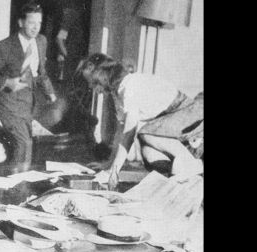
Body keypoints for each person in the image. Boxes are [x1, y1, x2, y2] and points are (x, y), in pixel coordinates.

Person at [78, 53, 204, 190]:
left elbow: (129, 134)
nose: (91, 87)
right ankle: (181, 179)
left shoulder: (130, 86)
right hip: (173, 121)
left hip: (190, 115)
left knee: (145, 133)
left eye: (92, 82)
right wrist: (108, 165)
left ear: (102, 75)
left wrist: (114, 171)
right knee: (148, 154)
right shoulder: (117, 92)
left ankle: (191, 163)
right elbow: (121, 132)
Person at [0, 3, 58, 169]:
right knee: (24, 144)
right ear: (21, 23)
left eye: (39, 23)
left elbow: (40, 71)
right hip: (8, 101)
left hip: (28, 102)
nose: (36, 28)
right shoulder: (5, 47)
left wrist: (50, 92)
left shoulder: (41, 42)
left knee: (26, 143)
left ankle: (19, 179)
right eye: (31, 23)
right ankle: (17, 183)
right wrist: (5, 82)